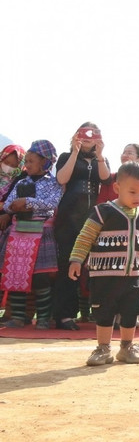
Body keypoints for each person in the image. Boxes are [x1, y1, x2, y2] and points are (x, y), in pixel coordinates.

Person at [68, 162, 139, 365]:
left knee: (130, 310)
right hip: (103, 275)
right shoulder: (102, 211)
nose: (138, 198)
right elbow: (85, 237)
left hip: (132, 275)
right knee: (104, 311)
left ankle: (127, 347)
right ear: (117, 188)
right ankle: (103, 348)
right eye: (133, 192)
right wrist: (76, 259)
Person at [52, 122, 112, 330]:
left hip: (93, 218)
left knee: (96, 265)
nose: (88, 137)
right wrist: (75, 151)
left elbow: (105, 180)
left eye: (93, 133)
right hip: (68, 217)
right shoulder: (66, 157)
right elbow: (61, 178)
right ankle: (64, 315)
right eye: (85, 133)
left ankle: (98, 312)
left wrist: (100, 153)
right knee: (68, 263)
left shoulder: (100, 160)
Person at [0, 140, 61, 330]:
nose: (27, 165)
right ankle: (17, 317)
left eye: (32, 161)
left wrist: (28, 201)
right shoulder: (22, 181)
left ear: (45, 162)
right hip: (19, 233)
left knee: (41, 277)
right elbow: (9, 203)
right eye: (26, 160)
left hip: (41, 232)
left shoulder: (54, 184)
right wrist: (15, 205)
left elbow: (52, 204)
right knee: (16, 274)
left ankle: (43, 318)